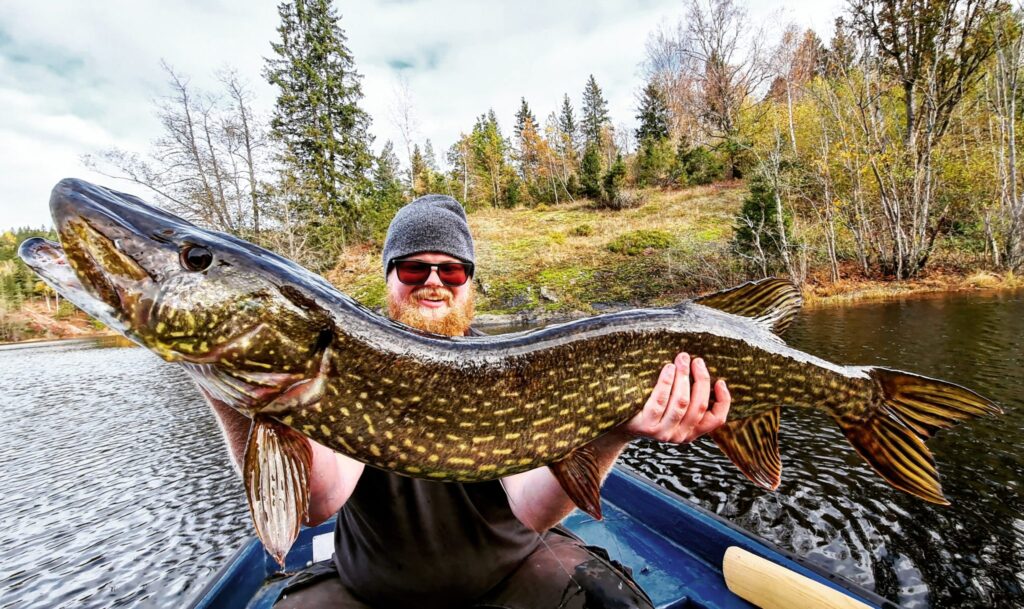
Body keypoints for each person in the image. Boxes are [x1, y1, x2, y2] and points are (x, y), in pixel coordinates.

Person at [210, 194, 731, 608]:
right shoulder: (349, 361)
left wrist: (614, 431)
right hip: (368, 592)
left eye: (452, 270)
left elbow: (532, 509)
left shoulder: (514, 366)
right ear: (389, 279)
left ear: (469, 283)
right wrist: (220, 375)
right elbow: (317, 502)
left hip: (515, 572)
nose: (433, 282)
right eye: (414, 269)